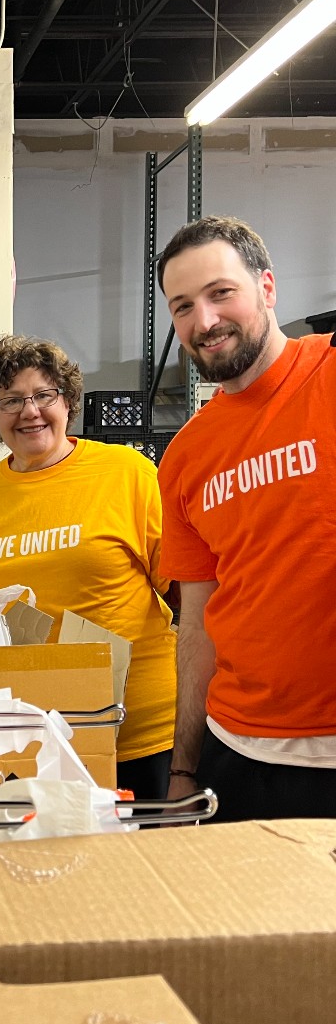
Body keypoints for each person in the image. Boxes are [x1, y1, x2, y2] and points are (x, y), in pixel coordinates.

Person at [0, 335, 177, 798]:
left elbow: (185, 587)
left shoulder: (127, 473)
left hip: (134, 730)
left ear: (67, 402)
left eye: (44, 395)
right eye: (10, 400)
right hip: (27, 736)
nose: (30, 411)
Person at [157, 214, 336, 820]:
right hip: (236, 755)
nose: (204, 321)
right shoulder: (185, 457)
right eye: (183, 307)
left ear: (267, 287)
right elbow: (197, 624)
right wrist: (183, 769)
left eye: (220, 293)